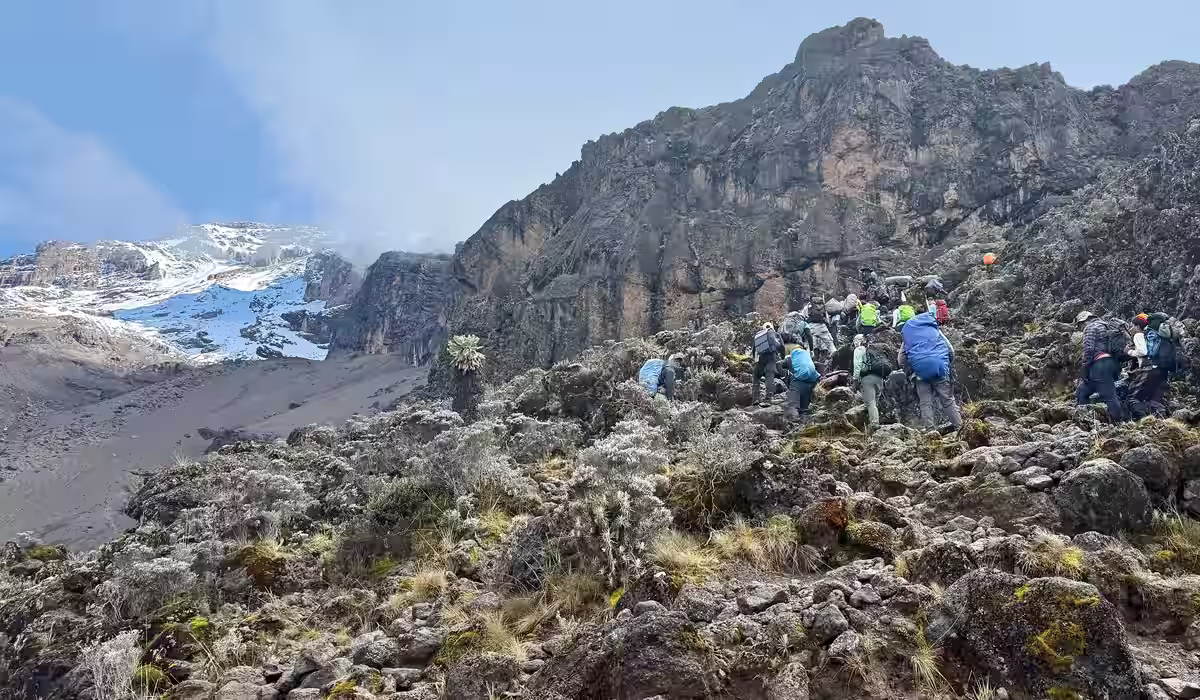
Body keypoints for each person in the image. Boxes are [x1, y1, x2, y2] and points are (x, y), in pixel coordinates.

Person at [900, 311, 962, 431]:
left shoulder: (910, 336)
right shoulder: (934, 331)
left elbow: (901, 359)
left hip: (920, 373)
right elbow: (950, 350)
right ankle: (960, 428)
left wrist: (911, 369)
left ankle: (931, 432)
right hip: (939, 369)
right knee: (948, 400)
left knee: (925, 402)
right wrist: (947, 364)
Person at [1074, 311, 1129, 422]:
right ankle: (1085, 419)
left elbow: (1088, 350)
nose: (1080, 329)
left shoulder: (1090, 327)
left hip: (1100, 365)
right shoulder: (1106, 326)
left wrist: (1085, 368)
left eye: (1079, 326)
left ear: (1083, 321)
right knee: (1082, 391)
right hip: (1112, 364)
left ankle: (1118, 423)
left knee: (1109, 395)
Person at [852, 334, 891, 433]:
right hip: (880, 378)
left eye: (856, 339)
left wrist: (855, 378)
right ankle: (872, 421)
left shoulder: (859, 349)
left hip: (867, 379)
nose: (854, 342)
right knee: (874, 402)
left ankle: (874, 426)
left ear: (861, 340)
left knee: (871, 403)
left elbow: (857, 365)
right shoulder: (873, 350)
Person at [784, 341, 820, 421]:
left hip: (799, 381)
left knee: (792, 404)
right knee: (804, 408)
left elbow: (779, 364)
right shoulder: (807, 354)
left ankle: (793, 418)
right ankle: (804, 417)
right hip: (812, 380)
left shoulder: (791, 356)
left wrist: (783, 376)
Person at [752, 322, 783, 406]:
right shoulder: (775, 334)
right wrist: (782, 358)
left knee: (756, 377)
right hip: (771, 357)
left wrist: (754, 360)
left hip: (761, 358)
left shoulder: (759, 335)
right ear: (772, 328)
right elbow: (781, 347)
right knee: (769, 376)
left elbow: (754, 349)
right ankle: (768, 398)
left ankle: (755, 398)